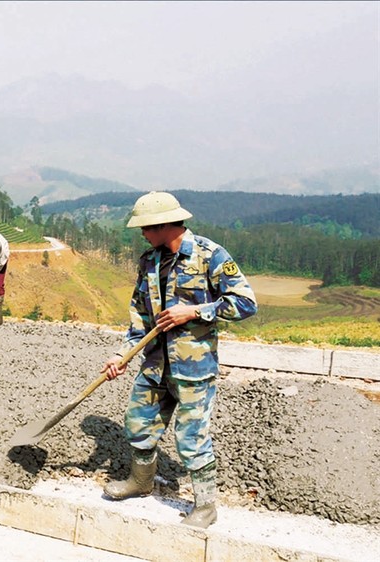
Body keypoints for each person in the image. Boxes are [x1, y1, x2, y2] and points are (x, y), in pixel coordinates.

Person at [101, 191, 257, 529]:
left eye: (146, 227)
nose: (142, 233)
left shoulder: (209, 255)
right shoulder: (149, 261)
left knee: (192, 437)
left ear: (163, 225)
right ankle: (141, 481)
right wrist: (121, 354)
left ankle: (205, 506)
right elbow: (141, 315)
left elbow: (245, 303)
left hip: (193, 367)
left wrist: (195, 311)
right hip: (156, 365)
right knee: (138, 423)